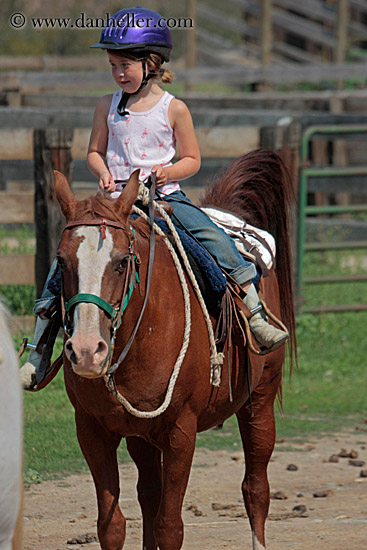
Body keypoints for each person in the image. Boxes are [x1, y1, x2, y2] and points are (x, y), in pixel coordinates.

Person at [19, 6, 287, 389]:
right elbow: (94, 151)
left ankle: (254, 310)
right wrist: (102, 171)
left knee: (211, 238)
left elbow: (192, 159)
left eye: (125, 65)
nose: (118, 73)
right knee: (68, 258)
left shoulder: (174, 108)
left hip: (163, 199)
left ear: (152, 63)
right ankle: (39, 349)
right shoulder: (105, 106)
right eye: (113, 65)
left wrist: (167, 172)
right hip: (114, 204)